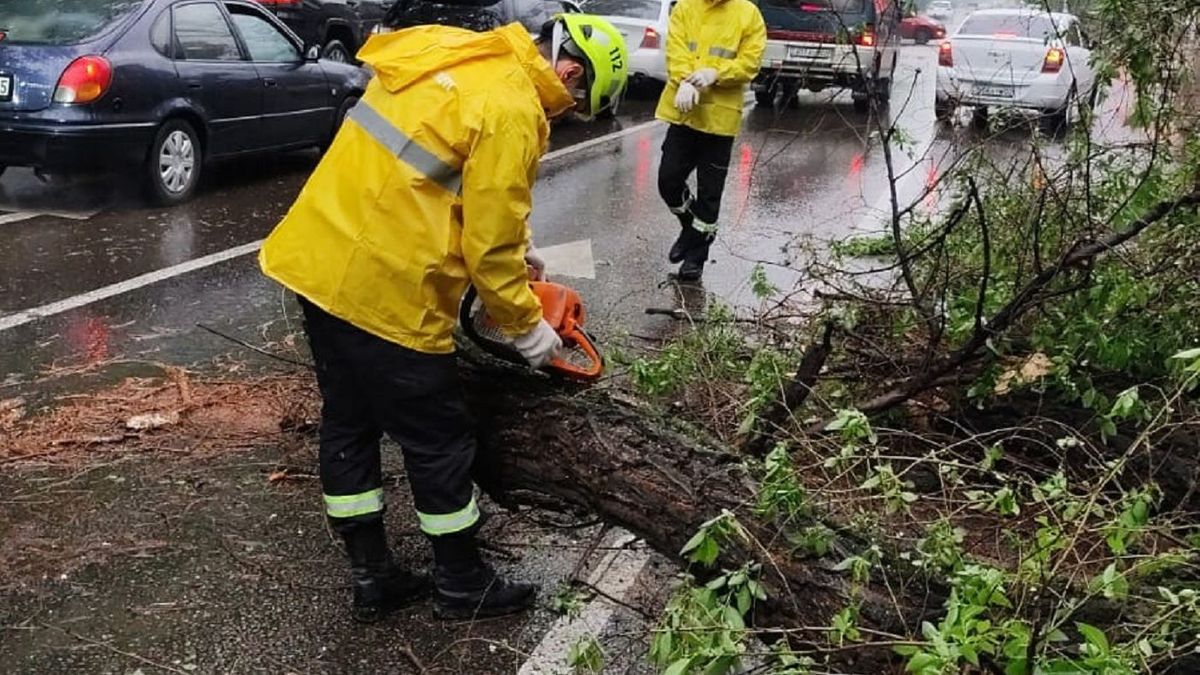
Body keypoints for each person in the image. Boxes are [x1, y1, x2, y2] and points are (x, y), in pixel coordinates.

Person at [258, 16, 628, 623]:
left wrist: (521, 243)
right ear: (570, 72)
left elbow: (439, 174)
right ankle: (461, 581)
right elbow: (489, 252)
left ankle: (371, 575)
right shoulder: (513, 108)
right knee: (438, 436)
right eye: (572, 106)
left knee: (349, 419)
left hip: (314, 259)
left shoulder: (449, 54)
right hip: (383, 288)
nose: (562, 116)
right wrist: (528, 329)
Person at [656, 0, 766, 281]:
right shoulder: (685, 7)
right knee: (668, 180)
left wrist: (715, 74)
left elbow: (750, 62)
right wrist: (685, 79)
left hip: (720, 120)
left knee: (709, 194)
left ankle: (696, 258)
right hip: (684, 113)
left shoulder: (748, 13)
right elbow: (676, 48)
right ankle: (692, 229)